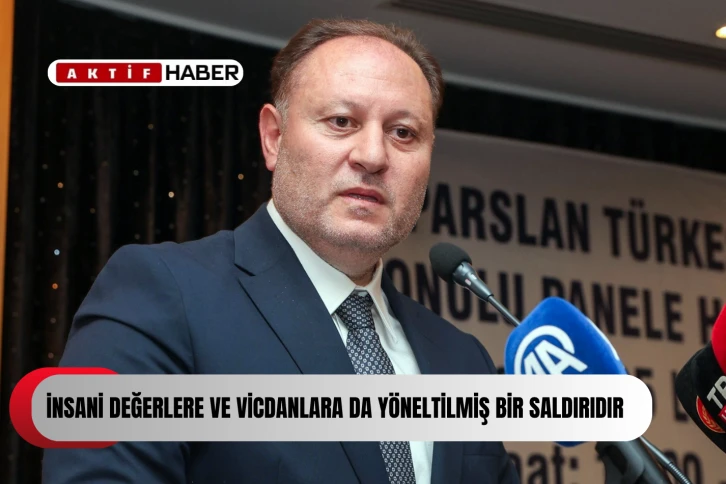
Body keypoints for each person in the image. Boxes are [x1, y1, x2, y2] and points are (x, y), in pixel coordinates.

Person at [42, 18, 519, 484]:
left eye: (403, 133)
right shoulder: (161, 296)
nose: (373, 156)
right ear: (274, 138)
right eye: (341, 121)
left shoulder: (462, 360)